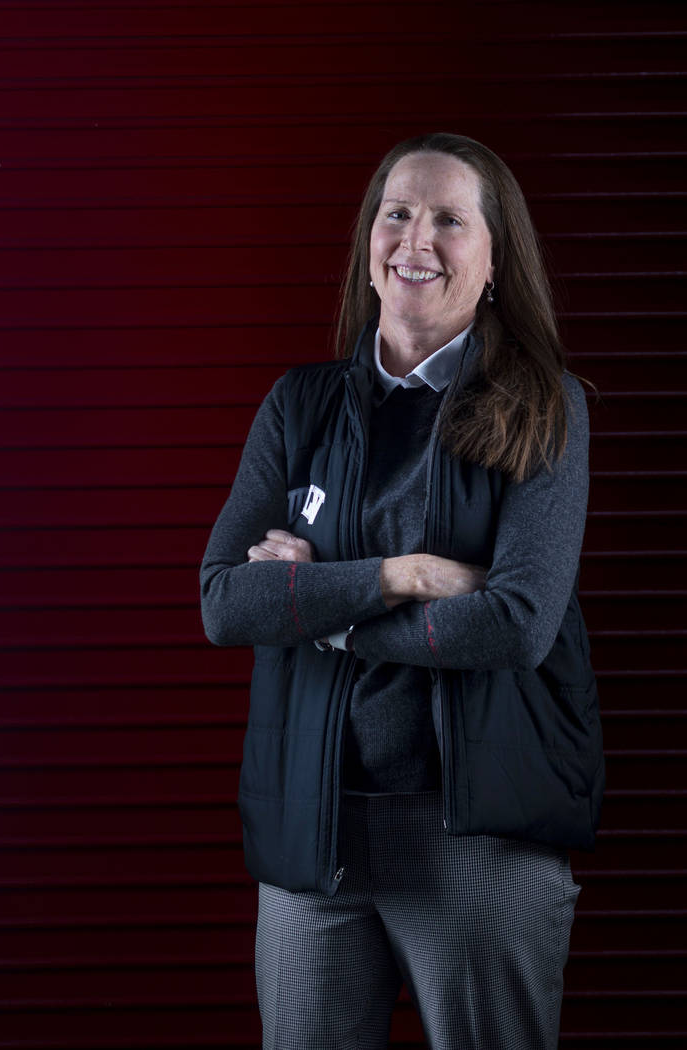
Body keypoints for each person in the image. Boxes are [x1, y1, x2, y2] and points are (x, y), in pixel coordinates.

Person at [200, 132, 605, 1050]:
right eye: (397, 212)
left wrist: (327, 616)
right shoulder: (297, 407)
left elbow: (514, 624)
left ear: (496, 261)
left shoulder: (544, 407)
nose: (414, 237)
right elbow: (226, 602)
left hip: (480, 845)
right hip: (315, 837)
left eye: (450, 219)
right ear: (369, 245)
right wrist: (398, 578)